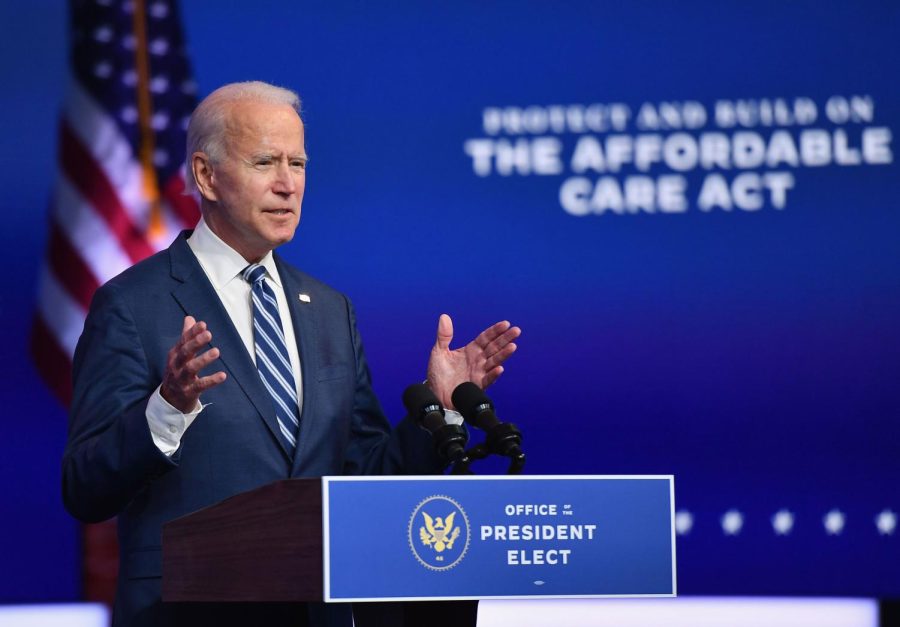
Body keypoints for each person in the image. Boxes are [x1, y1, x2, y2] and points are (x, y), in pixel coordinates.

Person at [62, 81, 520, 627]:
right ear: (207, 176)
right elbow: (85, 487)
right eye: (265, 162)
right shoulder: (132, 305)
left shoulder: (329, 310)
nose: (288, 185)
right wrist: (166, 408)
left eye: (297, 163)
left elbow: (361, 476)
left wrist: (439, 411)